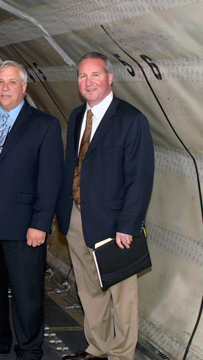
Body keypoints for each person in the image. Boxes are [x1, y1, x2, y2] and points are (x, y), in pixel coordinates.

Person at [0, 61, 63, 359]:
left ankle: (29, 349)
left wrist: (40, 224)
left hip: (23, 220)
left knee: (27, 291)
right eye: (0, 82)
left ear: (24, 87)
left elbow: (50, 180)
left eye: (12, 82)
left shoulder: (44, 125)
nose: (5, 88)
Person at [56, 52, 155, 360]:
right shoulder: (76, 117)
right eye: (83, 76)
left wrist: (128, 226)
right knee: (89, 290)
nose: (89, 82)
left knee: (121, 295)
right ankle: (97, 348)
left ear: (110, 78)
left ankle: (122, 354)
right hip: (76, 216)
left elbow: (140, 178)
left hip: (113, 223)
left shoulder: (130, 119)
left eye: (95, 75)